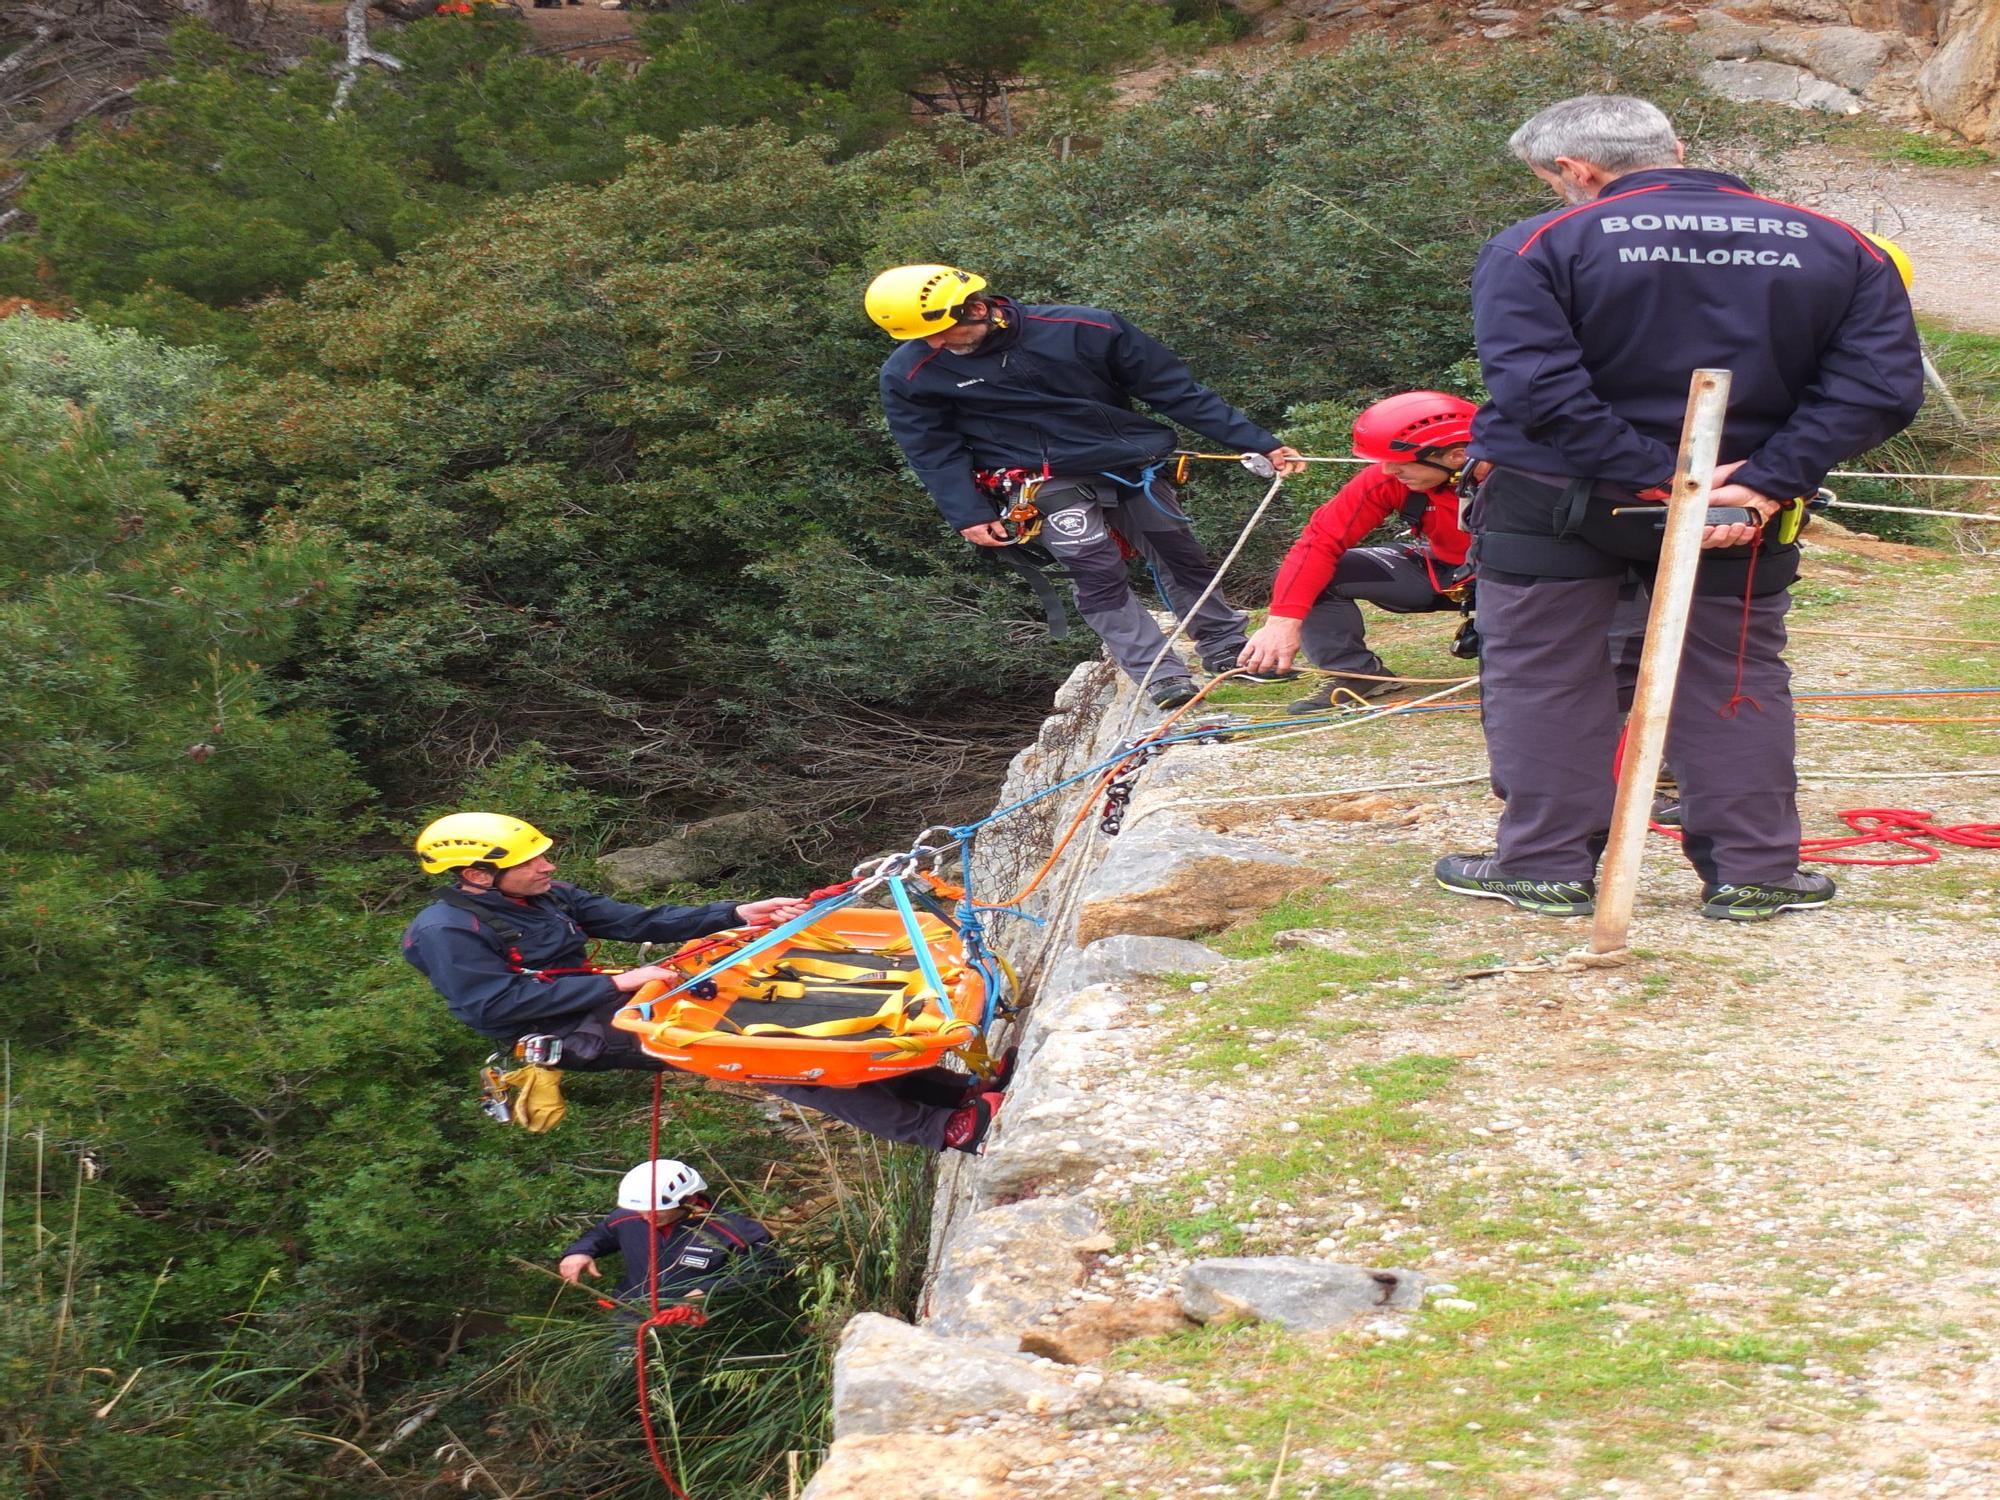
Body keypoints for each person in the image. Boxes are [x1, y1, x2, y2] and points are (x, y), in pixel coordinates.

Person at [1439, 94, 1923, 922]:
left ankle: (1546, 865)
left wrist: (1654, 476)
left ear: (1575, 170)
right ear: (1676, 146)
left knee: (1547, 677)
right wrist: (1765, 479)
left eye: (1552, 180)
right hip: (1744, 505)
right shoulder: (1837, 244)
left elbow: (1535, 388)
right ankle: (1757, 870)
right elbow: (1879, 390)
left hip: (1557, 497)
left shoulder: (1539, 243)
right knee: (1733, 675)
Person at [401, 812, 1006, 1151]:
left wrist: (736, 913)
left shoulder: (544, 896)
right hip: (571, 1027)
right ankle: (938, 1130)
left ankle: (950, 1093)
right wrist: (619, 984)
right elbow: (495, 1006)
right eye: (529, 862)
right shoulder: (448, 931)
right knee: (774, 1060)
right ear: (477, 876)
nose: (547, 866)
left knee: (798, 1018)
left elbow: (636, 920)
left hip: (620, 997)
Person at [867, 263, 1307, 710]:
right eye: (924, 338)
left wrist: (1258, 442)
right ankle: (1160, 674)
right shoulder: (912, 372)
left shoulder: (1083, 328)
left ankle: (1224, 646)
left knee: (1179, 554)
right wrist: (968, 512)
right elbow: (931, 448)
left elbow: (1174, 390)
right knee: (1095, 571)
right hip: (1040, 481)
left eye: (943, 332)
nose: (934, 344)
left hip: (1127, 462)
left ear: (978, 309)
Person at [1238, 391, 1478, 710]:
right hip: (1446, 572)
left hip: (1524, 580)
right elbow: (1320, 541)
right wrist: (1282, 620)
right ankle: (1353, 673)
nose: (1388, 471)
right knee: (1317, 572)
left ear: (1456, 456)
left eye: (1399, 462)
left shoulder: (1525, 477)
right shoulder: (1392, 478)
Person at [560, 1159, 781, 1324]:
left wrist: (708, 1293)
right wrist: (579, 1251)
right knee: (622, 1381)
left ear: (690, 1200)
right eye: (641, 1210)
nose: (645, 1217)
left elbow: (771, 1268)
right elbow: (602, 1233)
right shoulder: (630, 1217)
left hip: (701, 1324)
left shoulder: (734, 1231)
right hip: (633, 1316)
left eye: (657, 1212)